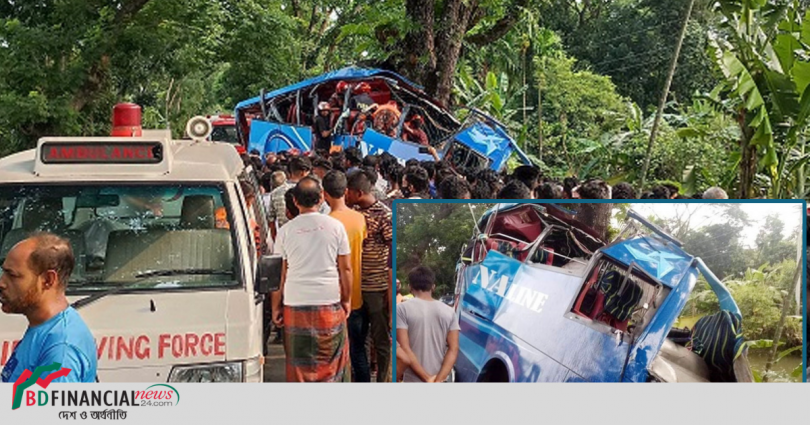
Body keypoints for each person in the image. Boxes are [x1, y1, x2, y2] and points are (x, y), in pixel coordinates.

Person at [271, 177, 352, 382]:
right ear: (322, 198)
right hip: (329, 303)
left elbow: (280, 274)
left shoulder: (285, 231)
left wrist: (275, 307)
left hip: (295, 304)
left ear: (296, 202)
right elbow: (346, 269)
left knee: (299, 368)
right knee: (332, 365)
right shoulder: (336, 227)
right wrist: (347, 299)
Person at [1, 233, 97, 383]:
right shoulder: (44, 327)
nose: (2, 283)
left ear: (47, 280)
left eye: (12, 276)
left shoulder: (61, 351)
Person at [346, 170, 393, 382]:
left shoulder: (384, 214)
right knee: (358, 340)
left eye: (348, 192)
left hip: (377, 287)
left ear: (358, 192)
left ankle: (383, 381)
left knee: (381, 341)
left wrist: (390, 288)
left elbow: (393, 248)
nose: (345, 196)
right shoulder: (353, 212)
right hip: (356, 286)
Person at [322, 170, 369, 382]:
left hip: (333, 297)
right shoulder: (360, 219)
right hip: (357, 294)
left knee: (334, 354)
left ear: (325, 194)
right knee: (359, 351)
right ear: (346, 191)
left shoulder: (326, 223)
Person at [396, 265, 459, 383]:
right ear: (433, 287)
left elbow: (405, 348)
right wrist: (438, 380)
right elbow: (453, 349)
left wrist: (427, 378)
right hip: (441, 379)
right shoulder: (449, 312)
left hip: (413, 379)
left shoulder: (401, 309)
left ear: (410, 287)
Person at [267, 157, 312, 240]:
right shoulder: (309, 192)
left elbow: (271, 222)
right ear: (303, 172)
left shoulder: (276, 192)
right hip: (306, 238)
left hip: (285, 238)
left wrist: (276, 241)